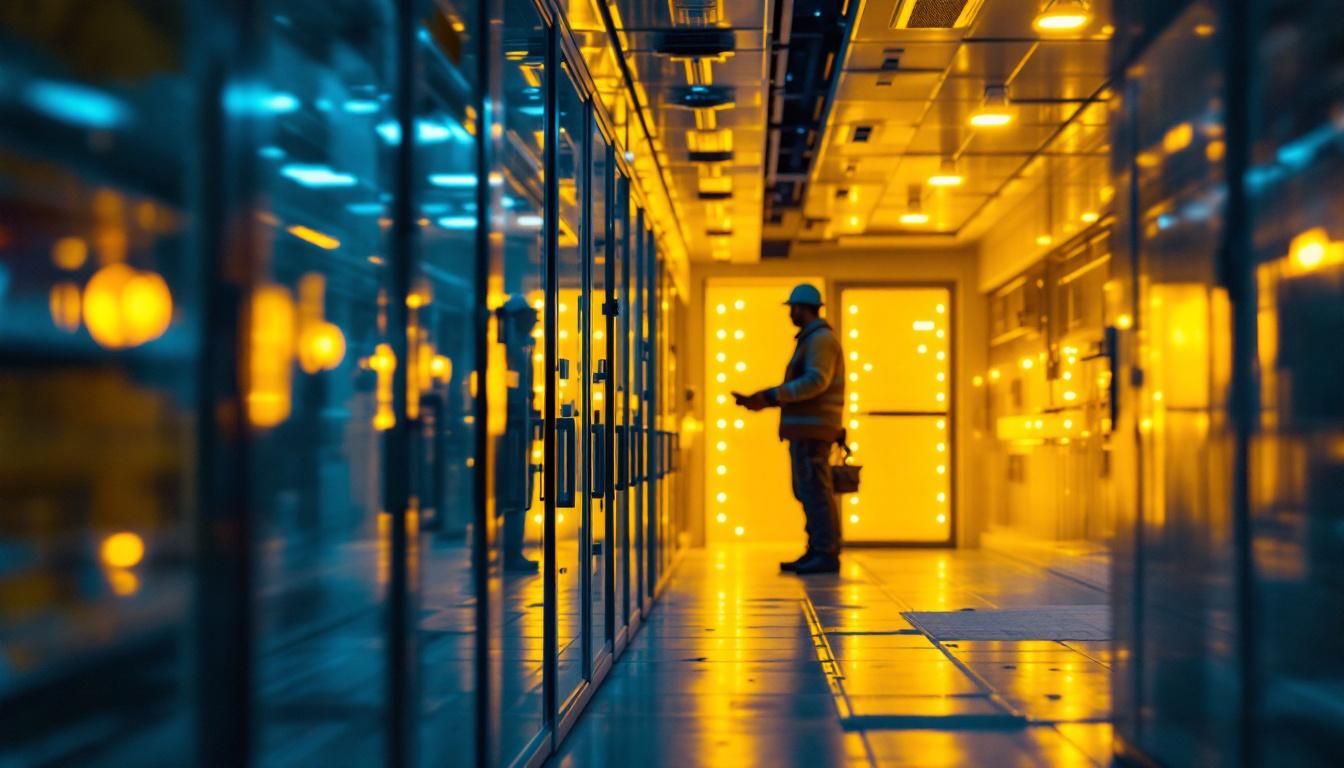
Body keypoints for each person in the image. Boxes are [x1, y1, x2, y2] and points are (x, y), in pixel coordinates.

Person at [738, 283, 845, 575]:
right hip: (808, 431)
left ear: (803, 308)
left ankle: (824, 553)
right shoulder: (812, 339)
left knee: (815, 492)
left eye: (793, 308)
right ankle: (817, 550)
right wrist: (768, 399)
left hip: (813, 432)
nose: (791, 314)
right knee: (808, 491)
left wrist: (773, 395)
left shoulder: (820, 340)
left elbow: (815, 381)